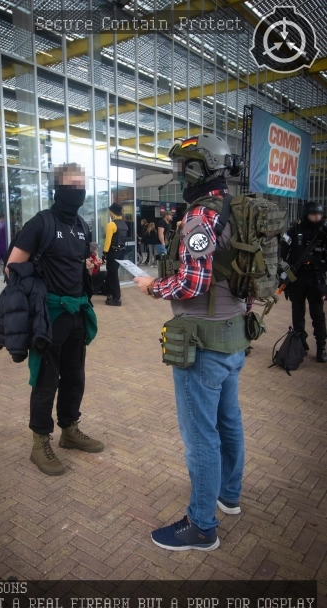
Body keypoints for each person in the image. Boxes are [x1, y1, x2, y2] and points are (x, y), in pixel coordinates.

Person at [134, 133, 248, 551]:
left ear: (200, 169)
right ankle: (228, 495)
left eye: (183, 168)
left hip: (203, 344)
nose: (180, 176)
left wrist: (151, 286)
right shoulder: (236, 207)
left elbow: (191, 284)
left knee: (201, 437)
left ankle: (201, 526)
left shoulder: (201, 215)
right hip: (234, 337)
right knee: (228, 422)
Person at [6, 162, 103, 477]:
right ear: (57, 188)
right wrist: (36, 300)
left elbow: (79, 264)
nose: (78, 191)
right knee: (46, 380)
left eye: (81, 185)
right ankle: (39, 442)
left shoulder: (82, 225)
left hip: (77, 313)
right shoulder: (40, 223)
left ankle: (69, 430)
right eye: (72, 185)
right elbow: (12, 267)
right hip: (49, 316)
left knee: (75, 377)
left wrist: (90, 269)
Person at [281, 200, 327, 362]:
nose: (317, 217)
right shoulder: (293, 231)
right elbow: (281, 256)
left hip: (317, 279)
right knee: (297, 313)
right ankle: (300, 344)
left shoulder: (324, 232)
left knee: (318, 315)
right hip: (297, 278)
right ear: (305, 214)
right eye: (313, 214)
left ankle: (321, 347)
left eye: (319, 214)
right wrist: (285, 276)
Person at [102, 202, 128, 306]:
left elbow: (108, 241)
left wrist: (104, 253)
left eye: (109, 211)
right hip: (121, 251)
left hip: (113, 251)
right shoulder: (124, 224)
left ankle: (116, 298)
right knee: (112, 273)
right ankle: (109, 293)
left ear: (112, 212)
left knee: (112, 274)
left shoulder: (111, 224)